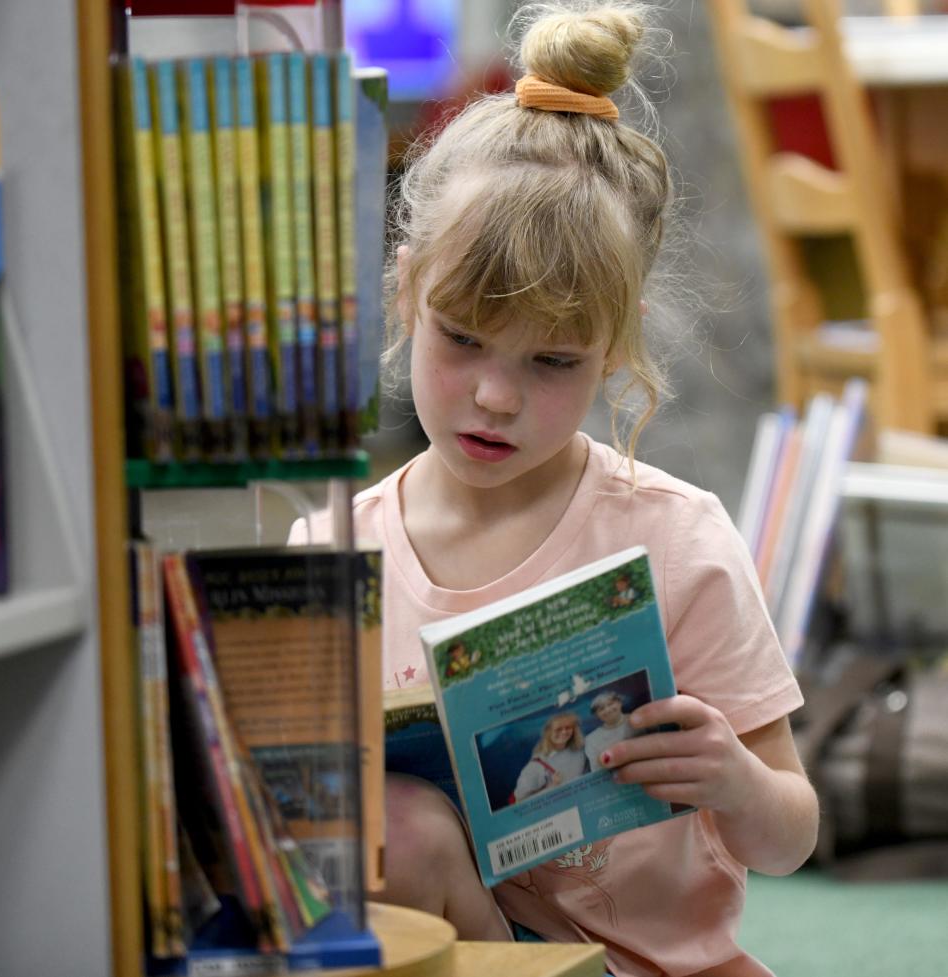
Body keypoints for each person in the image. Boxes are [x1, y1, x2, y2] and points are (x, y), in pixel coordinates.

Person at [289, 2, 819, 972]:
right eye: (462, 339)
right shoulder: (334, 545)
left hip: (658, 964)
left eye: (553, 361)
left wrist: (735, 779)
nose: (495, 396)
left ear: (615, 349)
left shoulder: (675, 537)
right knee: (390, 828)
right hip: (474, 952)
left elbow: (790, 834)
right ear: (407, 292)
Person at [512, 712, 588, 801]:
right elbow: (520, 800)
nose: (564, 732)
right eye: (558, 729)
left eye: (568, 727)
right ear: (548, 732)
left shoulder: (580, 751)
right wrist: (552, 787)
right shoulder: (537, 764)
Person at [583, 691, 637, 771]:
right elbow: (596, 770)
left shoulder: (639, 720)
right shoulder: (591, 740)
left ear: (619, 703)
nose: (607, 710)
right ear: (596, 714)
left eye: (610, 704)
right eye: (601, 709)